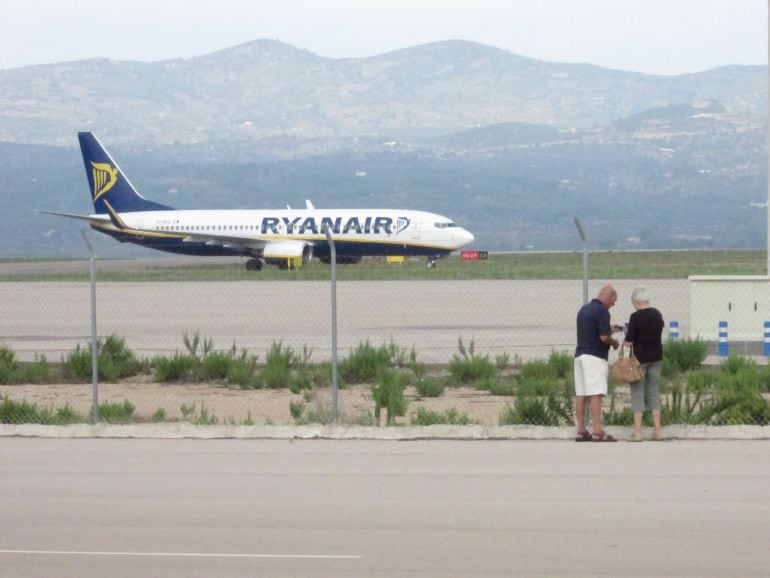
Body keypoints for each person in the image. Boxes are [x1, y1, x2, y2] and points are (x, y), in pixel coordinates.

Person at [574, 284, 621, 442]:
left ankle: (581, 430)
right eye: (613, 302)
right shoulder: (602, 311)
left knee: (581, 394)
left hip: (580, 356)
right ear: (609, 297)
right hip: (594, 356)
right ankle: (597, 431)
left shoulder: (584, 309)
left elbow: (593, 330)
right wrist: (613, 342)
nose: (612, 305)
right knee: (595, 394)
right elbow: (603, 338)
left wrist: (609, 329)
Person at [623, 287, 664, 441]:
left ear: (637, 302)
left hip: (639, 359)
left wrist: (627, 335)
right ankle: (657, 431)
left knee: (637, 393)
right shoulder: (657, 314)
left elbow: (629, 341)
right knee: (653, 391)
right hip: (656, 357)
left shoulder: (635, 317)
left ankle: (638, 432)